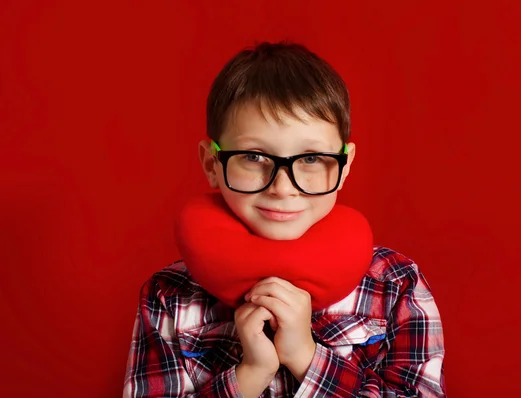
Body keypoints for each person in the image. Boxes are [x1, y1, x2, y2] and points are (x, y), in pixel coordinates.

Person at [123, 41, 446, 397]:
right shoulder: (169, 296)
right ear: (211, 164)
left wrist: (307, 357)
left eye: (310, 159)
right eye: (253, 156)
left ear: (345, 165)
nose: (282, 187)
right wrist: (248, 375)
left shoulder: (396, 284)